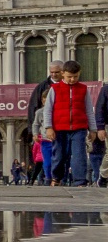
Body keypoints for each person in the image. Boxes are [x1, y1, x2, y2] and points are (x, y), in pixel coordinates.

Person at [38, 59, 93, 187]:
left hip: (79, 127)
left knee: (79, 154)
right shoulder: (54, 89)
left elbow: (89, 110)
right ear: (63, 74)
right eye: (69, 77)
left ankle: (80, 181)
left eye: (76, 76)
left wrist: (93, 129)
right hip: (59, 128)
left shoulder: (83, 89)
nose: (72, 79)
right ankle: (56, 177)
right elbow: (48, 110)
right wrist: (49, 127)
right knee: (59, 155)